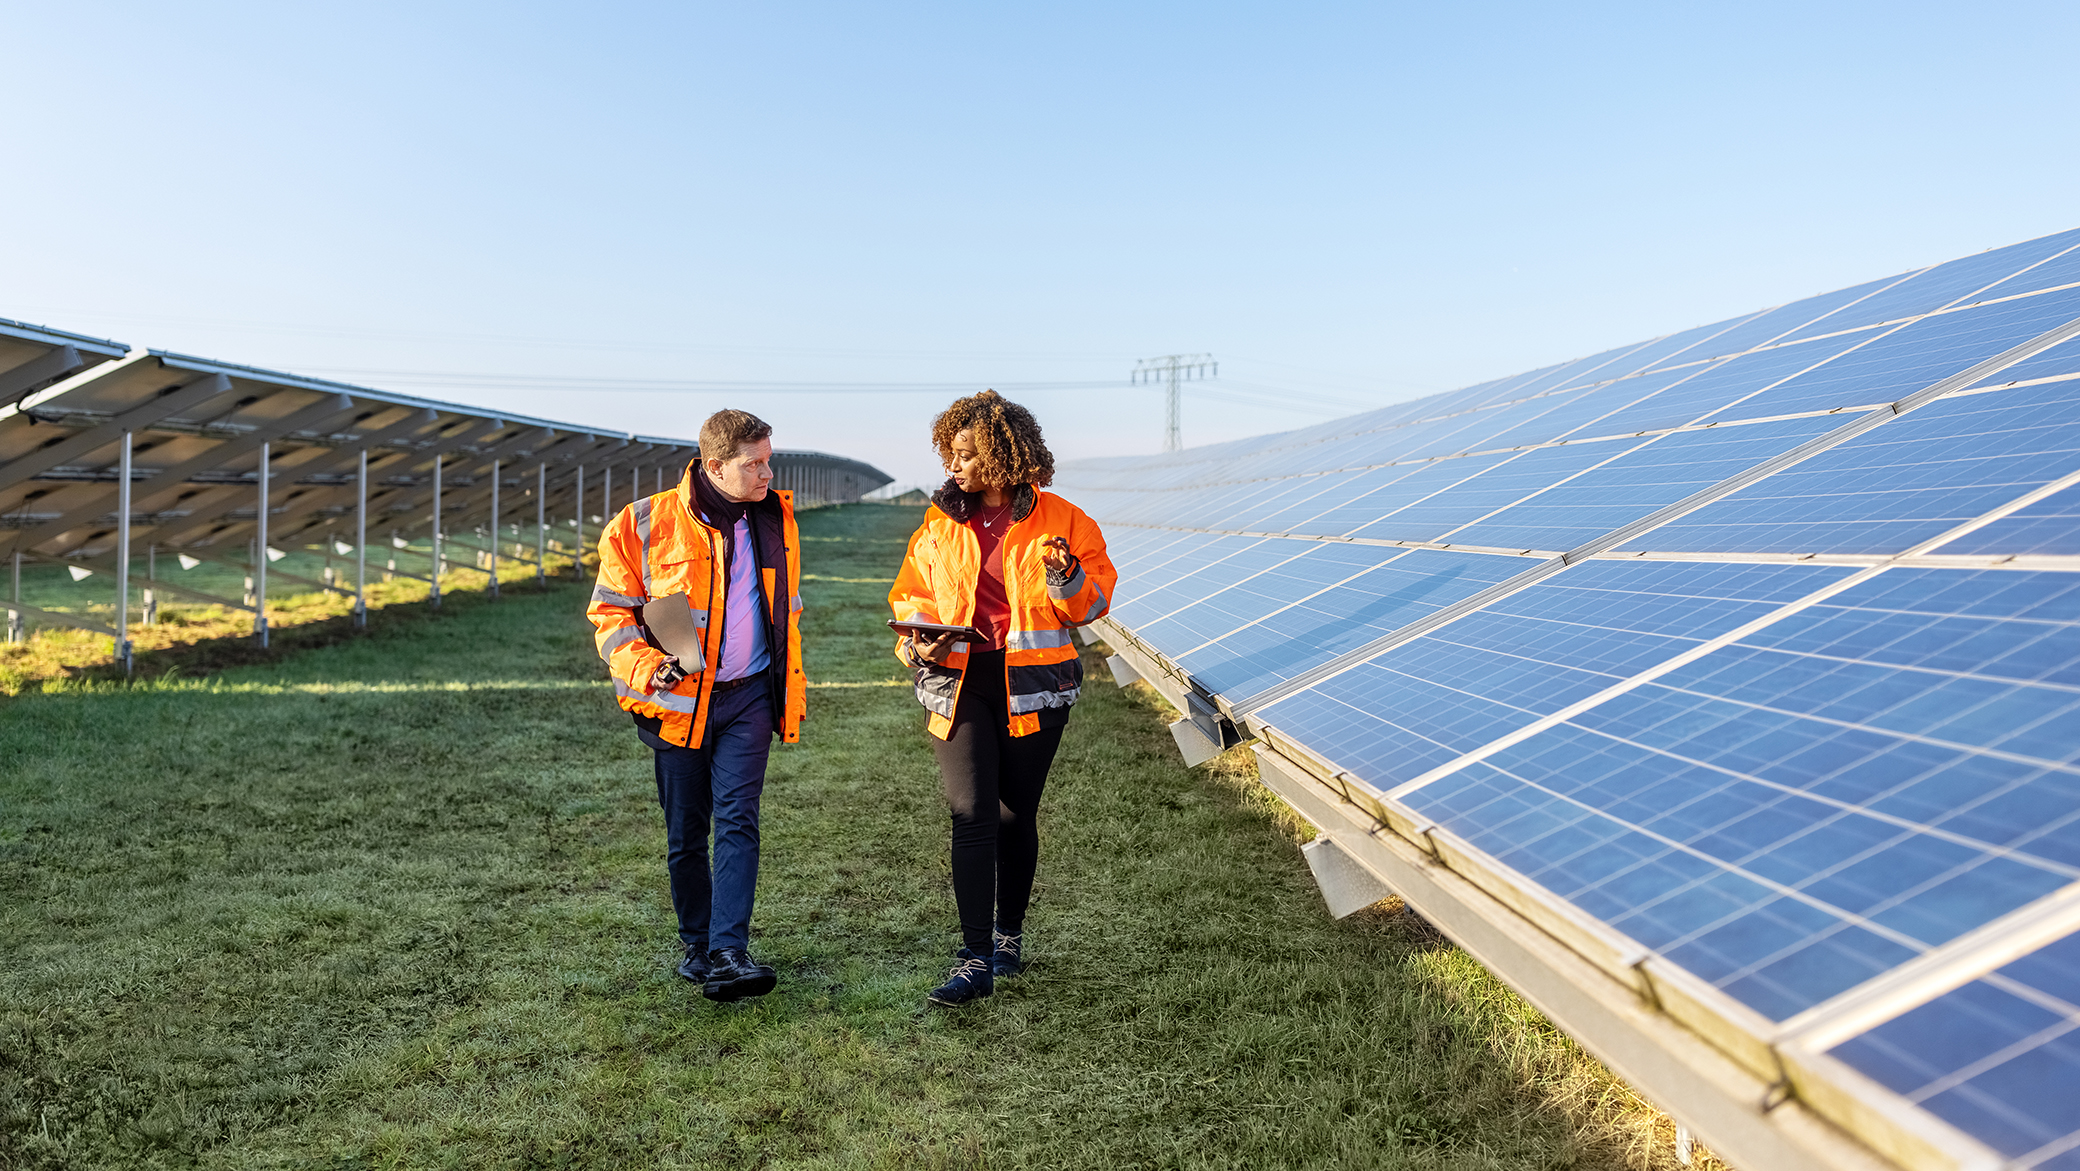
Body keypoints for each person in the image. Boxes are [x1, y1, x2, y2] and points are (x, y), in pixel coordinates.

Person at [888, 390, 1117, 1007]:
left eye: (963, 455)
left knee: (1016, 813)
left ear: (998, 454)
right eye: (949, 454)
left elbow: (1092, 606)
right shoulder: (939, 522)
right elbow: (911, 598)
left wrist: (1066, 577)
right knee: (970, 814)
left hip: (1035, 686)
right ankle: (973, 958)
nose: (953, 467)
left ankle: (1008, 937)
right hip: (958, 682)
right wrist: (917, 646)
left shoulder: (1067, 522)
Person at [587, 409, 807, 1002]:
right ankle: (697, 944)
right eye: (753, 464)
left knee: (739, 818)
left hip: (750, 698)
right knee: (687, 829)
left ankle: (730, 950)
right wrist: (646, 667)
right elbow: (610, 613)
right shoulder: (641, 524)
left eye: (769, 461)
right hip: (678, 702)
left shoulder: (774, 519)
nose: (767, 474)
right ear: (714, 466)